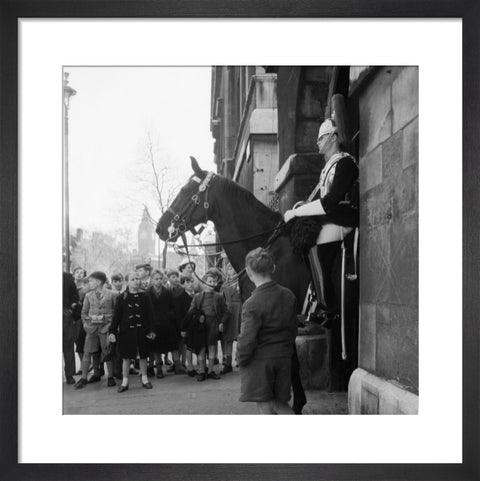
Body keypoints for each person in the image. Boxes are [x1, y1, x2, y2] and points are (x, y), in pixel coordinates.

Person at [283, 117, 359, 390]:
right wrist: (305, 204)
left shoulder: (345, 163)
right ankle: (315, 300)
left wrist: (299, 211)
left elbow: (330, 202)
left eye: (320, 139)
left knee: (313, 242)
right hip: (331, 218)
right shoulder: (328, 166)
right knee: (303, 240)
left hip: (343, 220)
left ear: (331, 137)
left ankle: (327, 306)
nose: (317, 145)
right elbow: (321, 199)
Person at [236, 248, 297, 414]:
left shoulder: (252, 303)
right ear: (273, 268)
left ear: (248, 271)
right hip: (283, 357)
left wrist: (240, 358)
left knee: (265, 406)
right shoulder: (289, 295)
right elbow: (293, 329)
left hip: (260, 362)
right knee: (280, 403)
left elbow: (247, 339)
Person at [108, 272, 156, 393]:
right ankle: (125, 381)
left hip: (142, 331)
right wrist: (112, 331)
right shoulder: (122, 297)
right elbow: (116, 316)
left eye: (138, 279)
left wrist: (151, 330)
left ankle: (145, 379)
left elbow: (150, 315)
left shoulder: (145, 296)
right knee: (126, 357)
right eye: (133, 279)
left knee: (143, 356)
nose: (136, 281)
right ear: (127, 281)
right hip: (126, 332)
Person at [74, 271, 118, 389]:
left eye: (91, 281)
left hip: (105, 328)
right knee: (87, 352)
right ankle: (83, 378)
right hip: (91, 329)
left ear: (98, 282)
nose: (89, 283)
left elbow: (117, 313)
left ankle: (110, 377)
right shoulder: (88, 296)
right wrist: (85, 325)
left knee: (107, 352)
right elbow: (83, 313)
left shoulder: (113, 294)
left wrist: (111, 324)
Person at [186, 273, 229, 381]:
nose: (212, 284)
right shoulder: (197, 296)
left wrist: (221, 323)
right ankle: (201, 370)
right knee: (201, 348)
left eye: (214, 282)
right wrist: (197, 317)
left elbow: (226, 311)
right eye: (210, 281)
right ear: (203, 283)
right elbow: (191, 311)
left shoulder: (219, 296)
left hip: (213, 324)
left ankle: (210, 370)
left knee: (212, 347)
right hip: (201, 326)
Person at [146, 269, 184, 377]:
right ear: (152, 280)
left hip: (168, 324)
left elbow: (174, 308)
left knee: (173, 346)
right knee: (156, 348)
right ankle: (158, 369)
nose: (159, 281)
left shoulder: (168, 292)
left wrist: (170, 316)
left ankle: (178, 367)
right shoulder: (147, 294)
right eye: (156, 279)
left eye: (160, 279)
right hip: (154, 325)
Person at [220, 263, 242, 374]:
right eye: (229, 269)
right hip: (228, 313)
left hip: (240, 311)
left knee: (240, 337)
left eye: (234, 269)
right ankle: (228, 363)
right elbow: (221, 300)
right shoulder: (224, 285)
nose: (232, 271)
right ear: (226, 271)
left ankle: (240, 359)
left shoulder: (241, 283)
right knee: (228, 338)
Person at [176, 275, 197, 376]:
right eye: (187, 282)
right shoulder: (180, 298)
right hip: (187, 326)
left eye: (192, 282)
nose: (190, 284)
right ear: (183, 284)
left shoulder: (198, 295)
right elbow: (179, 315)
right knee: (188, 346)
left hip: (197, 326)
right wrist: (182, 328)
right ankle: (190, 366)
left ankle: (201, 365)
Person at [63, 272, 79, 384]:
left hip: (65, 313)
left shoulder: (66, 276)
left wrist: (70, 310)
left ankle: (69, 374)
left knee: (68, 344)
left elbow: (74, 294)